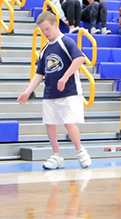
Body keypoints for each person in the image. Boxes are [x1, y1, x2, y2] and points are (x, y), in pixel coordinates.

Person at [17, 12, 92, 170]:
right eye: (42, 30)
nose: (45, 33)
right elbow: (39, 74)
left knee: (68, 123)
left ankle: (80, 151)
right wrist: (27, 91)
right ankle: (56, 155)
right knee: (49, 123)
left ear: (55, 24)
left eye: (47, 29)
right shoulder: (44, 49)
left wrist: (65, 77)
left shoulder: (66, 41)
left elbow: (80, 59)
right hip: (50, 92)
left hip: (69, 91)